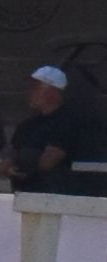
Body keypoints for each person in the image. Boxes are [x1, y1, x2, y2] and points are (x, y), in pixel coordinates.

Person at [5, 64, 93, 193]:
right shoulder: (26, 125)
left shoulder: (69, 123)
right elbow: (9, 156)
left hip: (57, 199)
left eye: (35, 88)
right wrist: (8, 165)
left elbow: (49, 161)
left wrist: (23, 166)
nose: (29, 92)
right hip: (22, 196)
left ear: (53, 91)